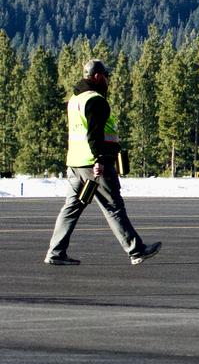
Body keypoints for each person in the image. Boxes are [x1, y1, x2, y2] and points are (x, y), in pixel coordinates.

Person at [45, 59, 161, 266]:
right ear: (98, 76)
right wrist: (99, 158)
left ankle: (56, 252)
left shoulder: (75, 99)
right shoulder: (95, 100)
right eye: (106, 76)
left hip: (75, 164)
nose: (108, 80)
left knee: (71, 207)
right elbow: (94, 134)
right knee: (113, 206)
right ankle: (136, 250)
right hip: (94, 165)